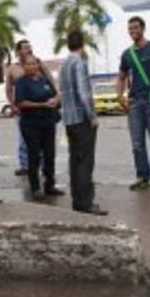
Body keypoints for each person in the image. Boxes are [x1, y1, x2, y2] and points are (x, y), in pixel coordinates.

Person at [117, 15, 150, 191]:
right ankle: (143, 177)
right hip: (134, 104)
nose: (133, 31)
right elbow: (121, 77)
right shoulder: (127, 54)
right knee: (137, 145)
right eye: (130, 29)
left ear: (143, 29)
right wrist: (120, 96)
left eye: (135, 28)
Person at [60, 29, 106, 215]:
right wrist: (92, 116)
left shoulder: (64, 64)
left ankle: (77, 201)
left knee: (75, 161)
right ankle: (86, 203)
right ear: (83, 44)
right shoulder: (79, 62)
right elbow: (83, 92)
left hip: (69, 119)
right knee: (85, 162)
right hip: (81, 119)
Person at [13, 56, 62, 201]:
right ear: (24, 66)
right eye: (28, 64)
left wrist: (55, 100)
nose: (31, 66)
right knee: (34, 156)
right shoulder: (22, 83)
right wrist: (42, 105)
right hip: (31, 125)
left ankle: (50, 185)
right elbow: (21, 103)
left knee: (49, 155)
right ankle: (35, 188)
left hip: (48, 123)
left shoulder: (43, 80)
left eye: (34, 64)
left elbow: (55, 95)